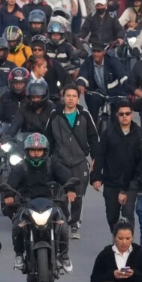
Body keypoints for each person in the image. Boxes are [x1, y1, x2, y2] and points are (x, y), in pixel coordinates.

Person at [0, 134, 78, 273]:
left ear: (45, 151)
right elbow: (11, 184)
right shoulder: (21, 167)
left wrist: (70, 189)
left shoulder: (52, 164)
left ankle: (64, 256)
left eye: (39, 150)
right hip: (27, 204)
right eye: (33, 150)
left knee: (64, 226)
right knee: (17, 225)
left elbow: (65, 177)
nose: (36, 153)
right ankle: (18, 255)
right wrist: (9, 195)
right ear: (27, 151)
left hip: (52, 203)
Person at [45, 86, 100, 240]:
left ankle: (74, 224)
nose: (70, 99)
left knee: (78, 194)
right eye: (67, 95)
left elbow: (93, 137)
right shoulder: (55, 114)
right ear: (63, 97)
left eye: (73, 96)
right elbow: (48, 137)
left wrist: (95, 158)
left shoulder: (84, 114)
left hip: (79, 160)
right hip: (59, 159)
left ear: (78, 98)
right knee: (61, 194)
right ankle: (65, 219)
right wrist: (47, 158)